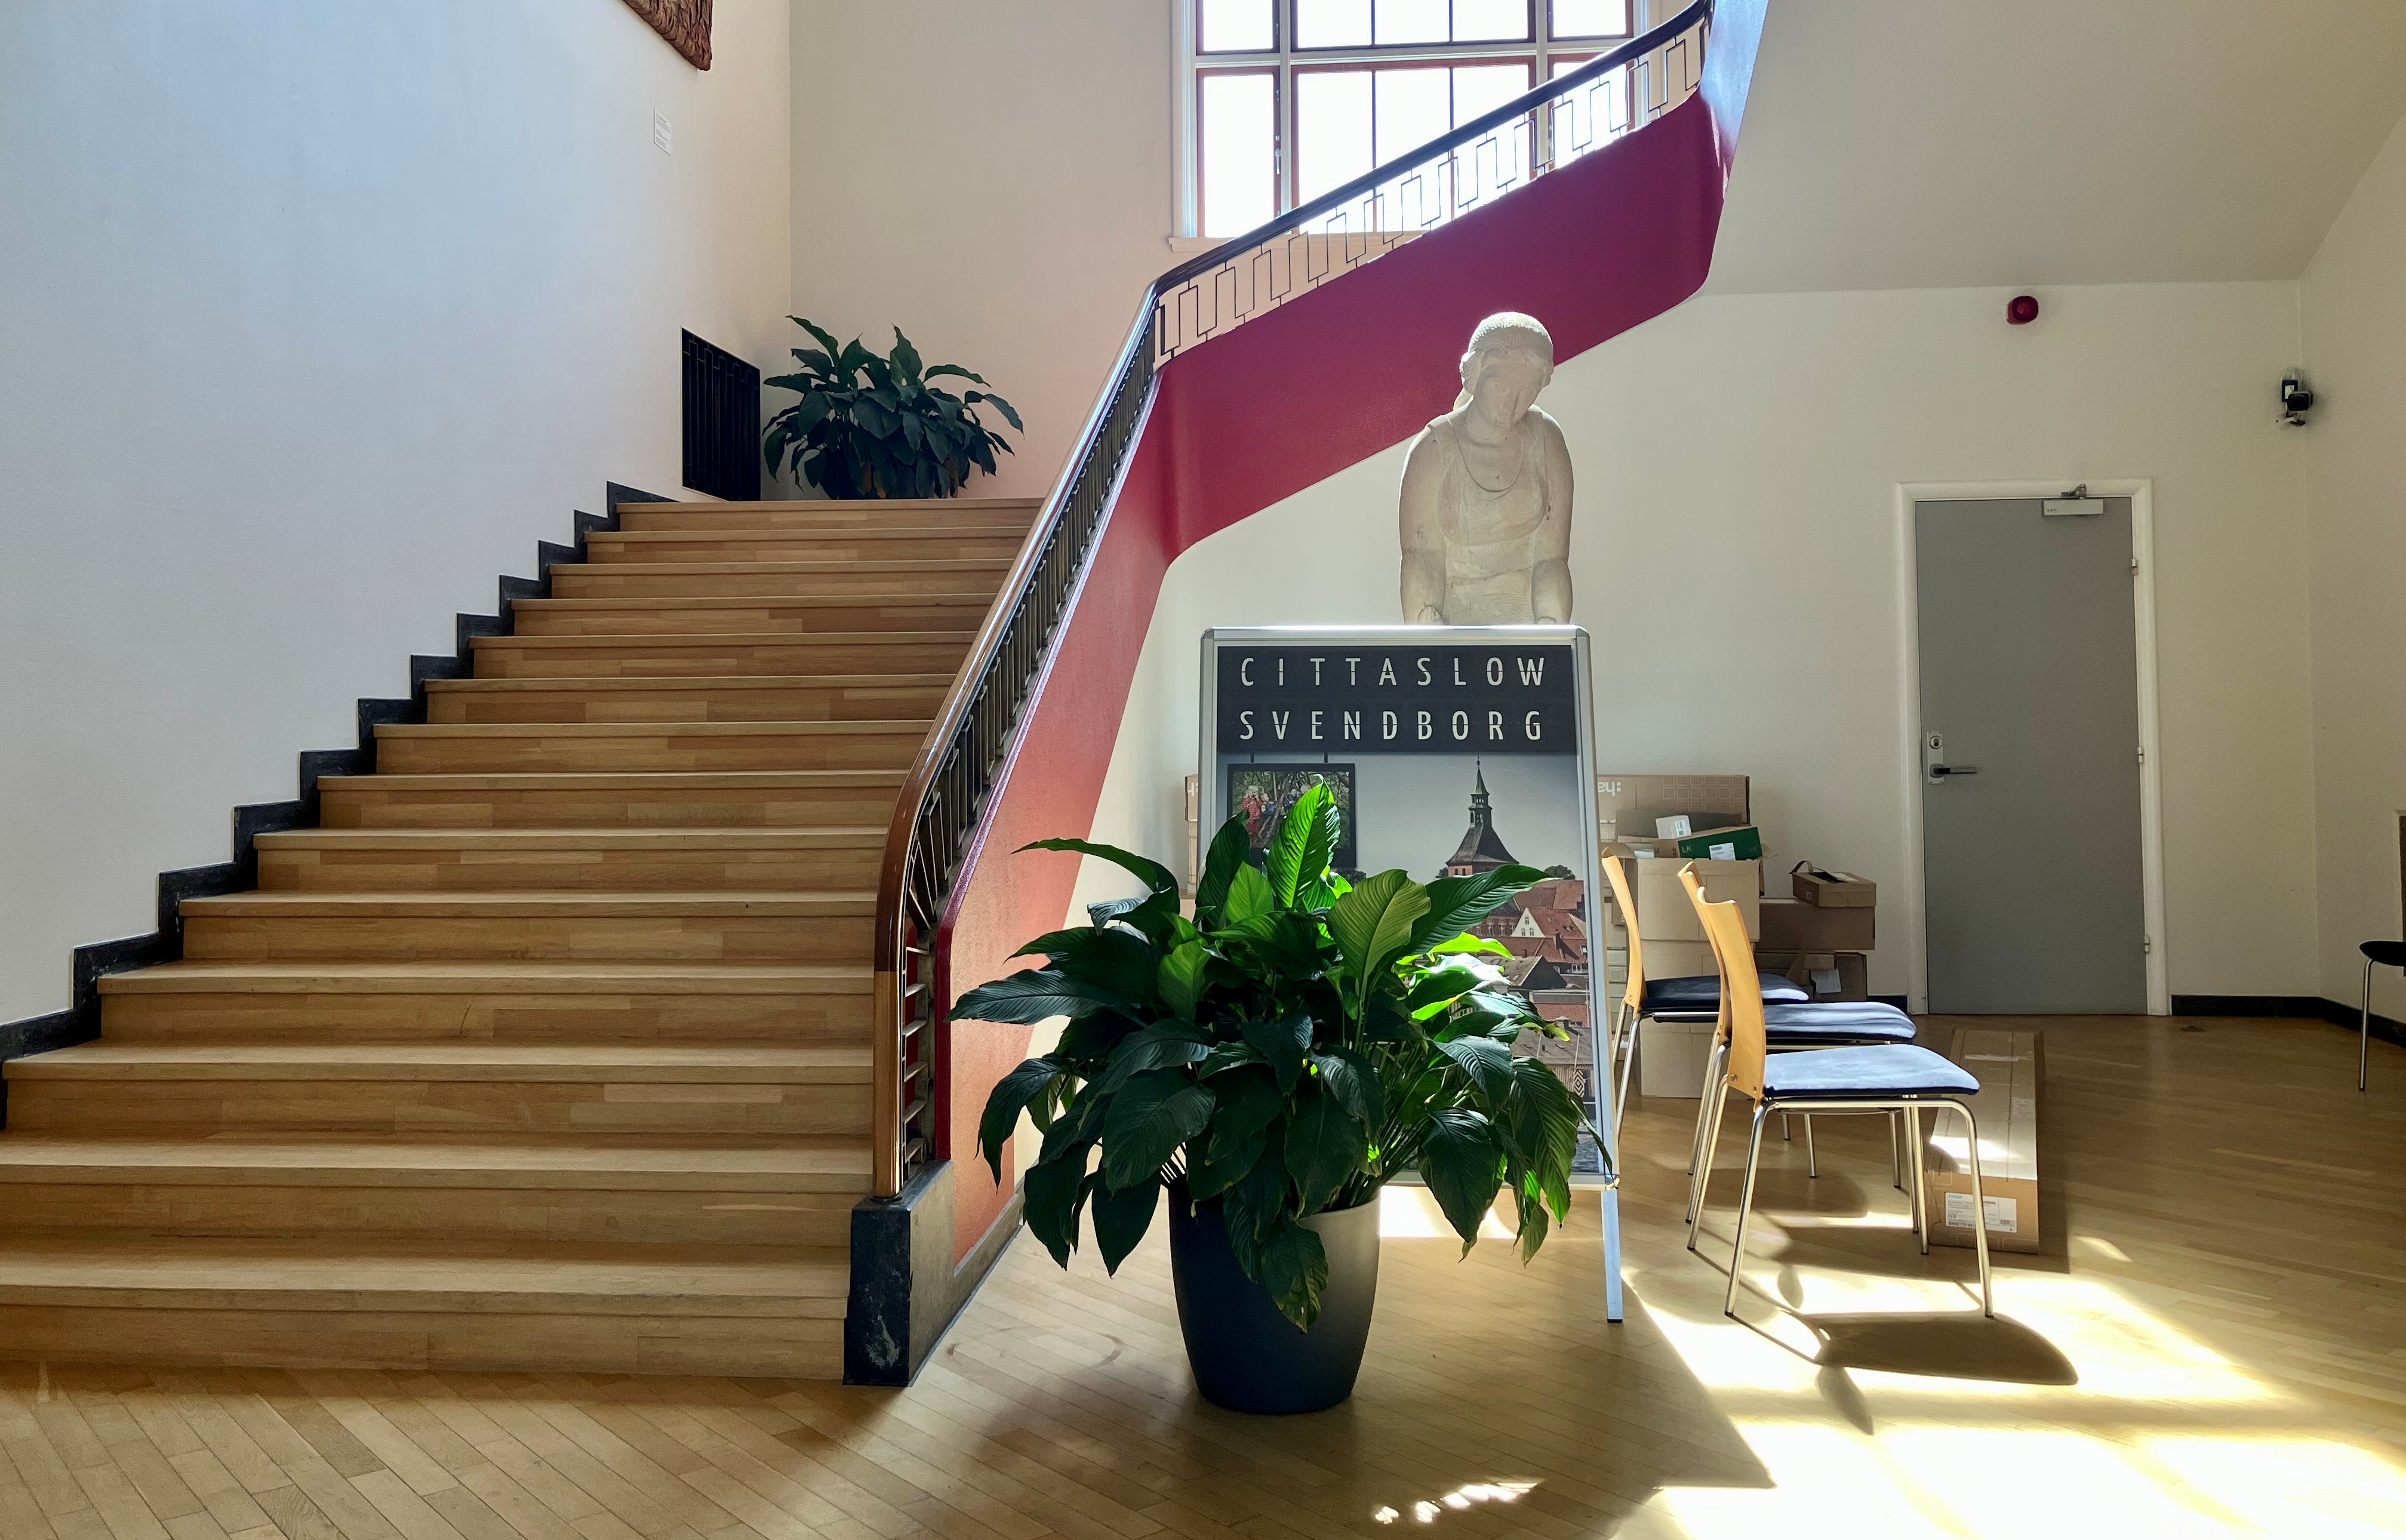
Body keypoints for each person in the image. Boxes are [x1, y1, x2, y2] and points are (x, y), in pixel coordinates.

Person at [1398, 312, 1574, 624]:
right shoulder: (1433, 449)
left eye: (1527, 392)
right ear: (1474, 374)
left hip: (1528, 628)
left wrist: (1550, 630)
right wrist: (1428, 633)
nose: (1511, 404)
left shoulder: (1547, 441)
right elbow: (1421, 558)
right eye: (1499, 387)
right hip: (1452, 629)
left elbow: (1551, 558)